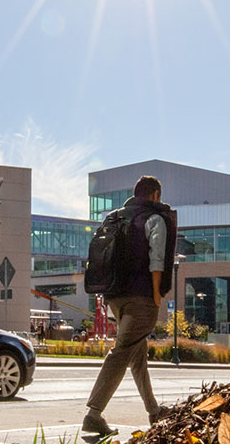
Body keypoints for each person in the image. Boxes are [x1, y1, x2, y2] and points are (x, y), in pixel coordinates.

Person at [82, 175, 176, 436]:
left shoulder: (115, 217)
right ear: (155, 195)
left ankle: (154, 411)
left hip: (114, 296)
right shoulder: (155, 218)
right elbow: (157, 260)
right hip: (142, 297)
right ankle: (93, 414)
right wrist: (157, 294)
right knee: (122, 352)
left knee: (137, 355)